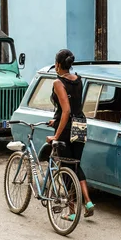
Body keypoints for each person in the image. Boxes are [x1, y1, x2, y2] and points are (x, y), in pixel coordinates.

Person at [46, 49, 95, 221]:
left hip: (67, 128)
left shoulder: (58, 83)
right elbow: (73, 107)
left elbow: (66, 110)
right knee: (76, 164)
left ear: (58, 64)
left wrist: (56, 136)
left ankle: (73, 211)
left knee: (66, 168)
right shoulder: (79, 80)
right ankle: (88, 202)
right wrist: (56, 119)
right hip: (80, 124)